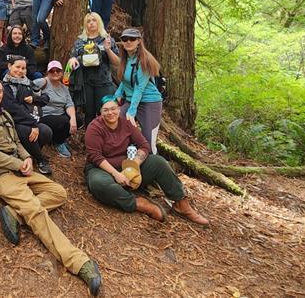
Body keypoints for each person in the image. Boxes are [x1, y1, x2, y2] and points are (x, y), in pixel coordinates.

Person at [0, 78, 102, 296]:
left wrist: (27, 158)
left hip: (21, 169)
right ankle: (78, 262)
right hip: (2, 175)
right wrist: (17, 163)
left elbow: (16, 143)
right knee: (36, 211)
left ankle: (14, 214)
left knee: (59, 193)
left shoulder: (5, 115)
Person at [85, 96, 209, 225]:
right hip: (103, 169)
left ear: (119, 109)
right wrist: (116, 174)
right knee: (99, 184)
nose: (110, 113)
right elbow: (95, 156)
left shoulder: (126, 123)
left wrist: (134, 166)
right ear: (100, 112)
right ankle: (140, 203)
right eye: (105, 110)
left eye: (113, 108)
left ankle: (181, 204)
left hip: (127, 165)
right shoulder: (95, 127)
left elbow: (144, 145)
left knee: (159, 162)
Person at [113, 28, 165, 154]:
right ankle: (125, 156)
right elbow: (126, 81)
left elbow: (139, 88)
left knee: (148, 141)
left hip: (149, 102)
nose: (128, 42)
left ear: (138, 41)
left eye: (132, 39)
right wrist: (117, 95)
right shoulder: (126, 58)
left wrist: (131, 111)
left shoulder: (144, 60)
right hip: (131, 100)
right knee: (117, 122)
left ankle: (153, 163)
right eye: (125, 39)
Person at [2, 56, 53, 175]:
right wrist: (33, 123)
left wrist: (34, 99)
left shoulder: (28, 83)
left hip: (31, 119)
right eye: (17, 67)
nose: (20, 71)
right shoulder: (5, 87)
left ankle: (31, 152)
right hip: (14, 121)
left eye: (23, 68)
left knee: (46, 131)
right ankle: (40, 160)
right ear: (9, 66)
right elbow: (13, 108)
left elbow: (45, 98)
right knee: (26, 131)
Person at [67, 12, 120, 125]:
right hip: (86, 83)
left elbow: (117, 63)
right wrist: (72, 60)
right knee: (89, 114)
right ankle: (91, 135)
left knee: (106, 113)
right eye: (88, 21)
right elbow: (73, 59)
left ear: (99, 22)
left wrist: (108, 49)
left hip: (104, 83)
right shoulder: (80, 41)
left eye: (94, 20)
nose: (91, 23)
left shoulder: (107, 39)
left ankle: (107, 136)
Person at [36, 60, 77, 158]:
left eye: (58, 71)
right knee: (64, 121)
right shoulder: (43, 82)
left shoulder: (64, 88)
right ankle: (59, 143)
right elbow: (29, 86)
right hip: (44, 115)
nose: (55, 73)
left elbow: (69, 104)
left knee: (77, 119)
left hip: (59, 115)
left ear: (62, 73)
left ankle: (57, 139)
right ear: (47, 72)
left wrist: (73, 118)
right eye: (52, 71)